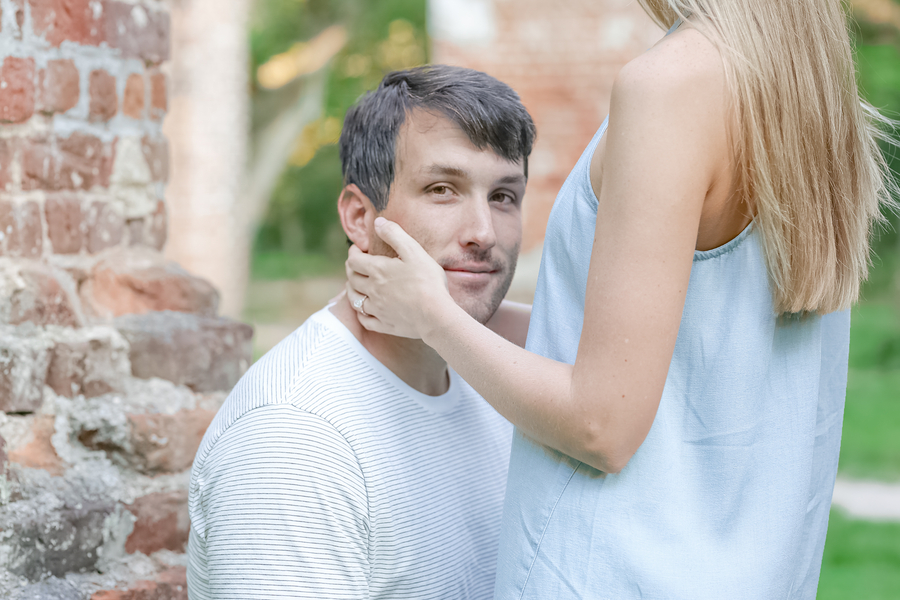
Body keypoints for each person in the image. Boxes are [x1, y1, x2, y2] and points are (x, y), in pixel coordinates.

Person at [345, 2, 898, 598]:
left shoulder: (671, 87)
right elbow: (682, 356)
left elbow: (601, 425)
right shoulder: (802, 84)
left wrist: (432, 316)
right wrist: (441, 307)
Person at [186, 65, 536, 600]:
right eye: (442, 189)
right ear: (358, 217)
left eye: (503, 196)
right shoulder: (297, 438)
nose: (483, 233)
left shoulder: (487, 374)